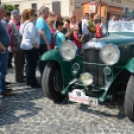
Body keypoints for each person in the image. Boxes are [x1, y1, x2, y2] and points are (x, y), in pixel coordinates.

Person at [20, 8, 40, 88]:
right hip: (31, 47)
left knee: (29, 65)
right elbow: (32, 37)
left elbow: (22, 34)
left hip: (25, 46)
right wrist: (36, 46)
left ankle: (28, 81)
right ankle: (33, 83)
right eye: (35, 15)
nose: (36, 17)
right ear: (30, 16)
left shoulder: (24, 24)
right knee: (32, 65)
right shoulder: (31, 25)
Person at [0, 5, 16, 97]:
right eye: (2, 12)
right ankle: (3, 90)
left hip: (4, 49)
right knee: (2, 71)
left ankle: (3, 88)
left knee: (3, 71)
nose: (4, 14)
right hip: (2, 50)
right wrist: (2, 47)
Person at [7, 10, 25, 83]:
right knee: (17, 62)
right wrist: (12, 46)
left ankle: (21, 75)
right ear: (14, 16)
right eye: (18, 15)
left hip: (22, 45)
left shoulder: (20, 23)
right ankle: (18, 77)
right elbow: (9, 36)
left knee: (22, 61)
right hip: (15, 46)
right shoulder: (10, 24)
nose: (20, 16)